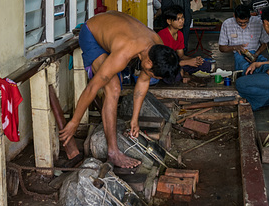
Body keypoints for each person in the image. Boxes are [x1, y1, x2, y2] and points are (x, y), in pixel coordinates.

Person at [59, 11, 179, 168]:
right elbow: (92, 87)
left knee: (116, 80)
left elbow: (143, 82)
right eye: (153, 74)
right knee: (114, 87)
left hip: (112, 30)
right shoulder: (125, 53)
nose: (150, 77)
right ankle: (113, 152)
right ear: (149, 63)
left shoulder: (156, 45)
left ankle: (113, 145)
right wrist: (74, 122)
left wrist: (134, 120)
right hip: (91, 34)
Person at [218, 4, 269, 73]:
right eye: (240, 23)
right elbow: (222, 48)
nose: (243, 25)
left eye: (246, 22)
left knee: (267, 67)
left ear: (250, 16)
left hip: (255, 53)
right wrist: (234, 47)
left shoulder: (258, 22)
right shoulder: (227, 24)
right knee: (244, 69)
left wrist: (256, 54)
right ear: (234, 16)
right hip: (239, 54)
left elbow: (265, 43)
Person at [158, 6, 207, 75]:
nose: (181, 21)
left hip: (175, 63)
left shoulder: (180, 34)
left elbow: (181, 56)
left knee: (206, 65)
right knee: (176, 75)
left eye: (182, 18)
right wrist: (187, 62)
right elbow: (164, 62)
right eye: (178, 19)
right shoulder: (163, 35)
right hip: (163, 65)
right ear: (169, 21)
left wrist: (194, 60)